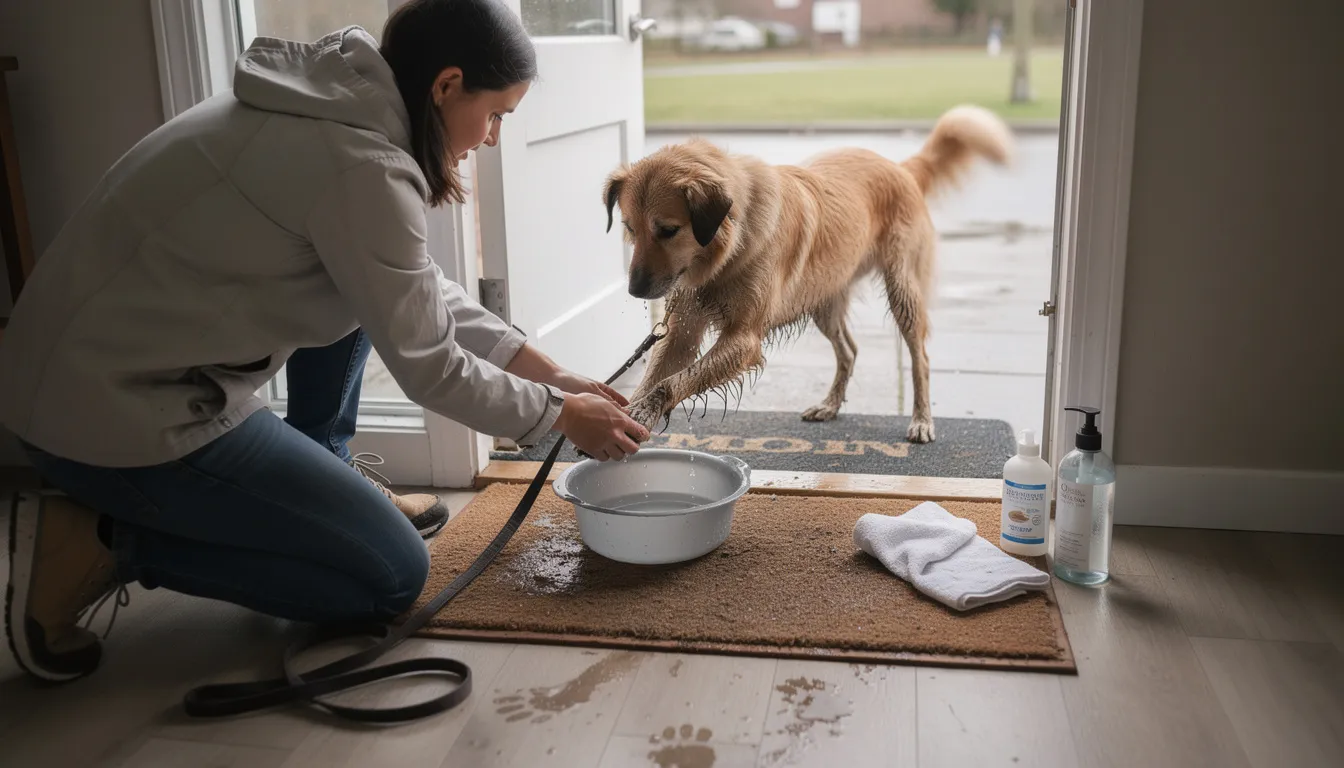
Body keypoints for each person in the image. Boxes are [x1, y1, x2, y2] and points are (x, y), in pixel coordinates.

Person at [0, 0, 648, 683]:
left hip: (97, 371)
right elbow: (430, 366)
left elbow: (409, 284)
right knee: (389, 576)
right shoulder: (361, 164)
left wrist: (549, 374)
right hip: (114, 416)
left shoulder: (337, 105)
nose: (490, 138)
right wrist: (559, 415)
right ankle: (105, 543)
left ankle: (326, 470)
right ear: (447, 85)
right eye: (495, 115)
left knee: (365, 298)